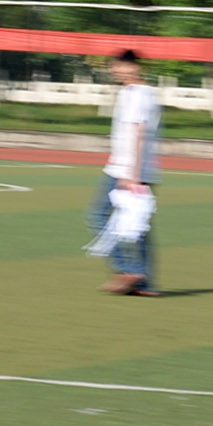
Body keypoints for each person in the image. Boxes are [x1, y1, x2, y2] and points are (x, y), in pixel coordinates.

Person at [88, 48, 161, 297]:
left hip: (128, 170)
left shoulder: (137, 94)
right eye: (114, 66)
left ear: (136, 67)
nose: (116, 70)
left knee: (98, 215)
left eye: (122, 65)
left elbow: (139, 133)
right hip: (132, 168)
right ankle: (144, 283)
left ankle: (128, 271)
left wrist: (131, 174)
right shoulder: (136, 93)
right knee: (139, 228)